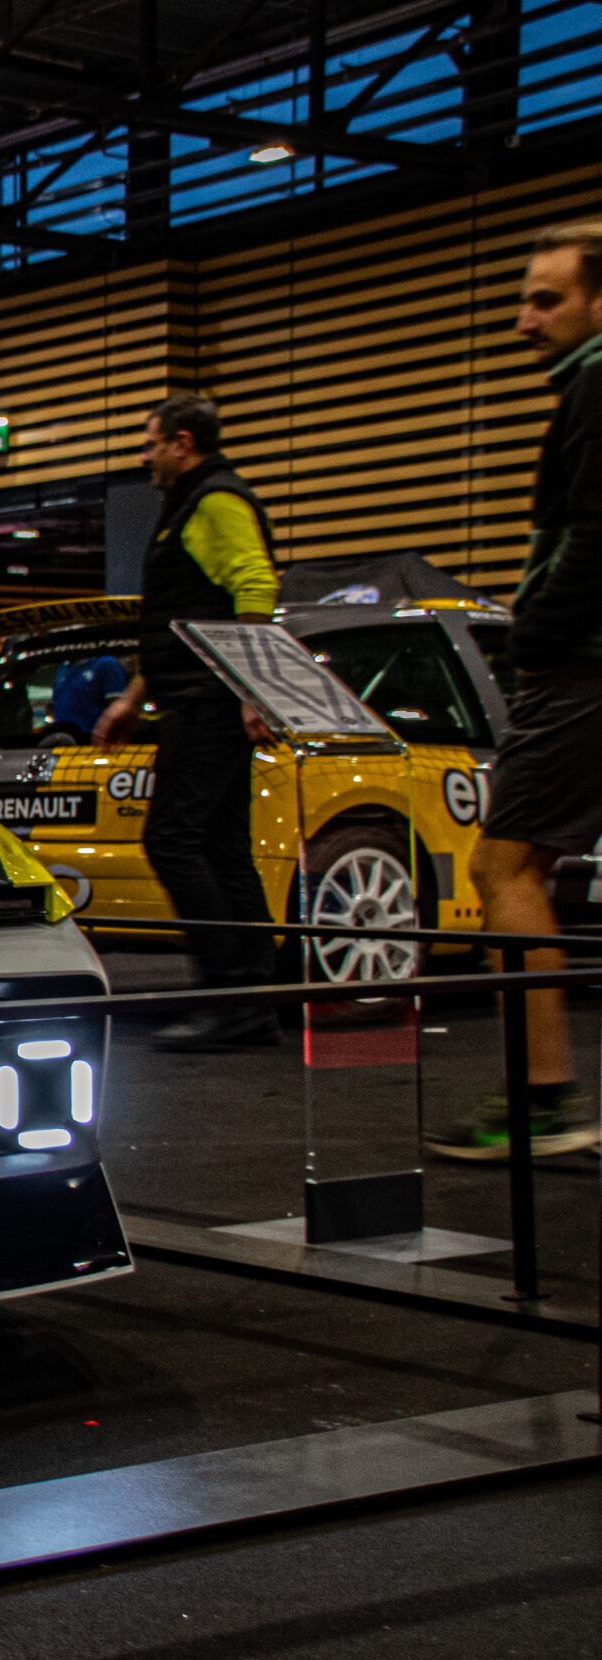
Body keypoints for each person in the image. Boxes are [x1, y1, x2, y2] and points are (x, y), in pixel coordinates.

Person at [435, 219, 602, 1159]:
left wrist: (533, 637)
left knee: (503, 867)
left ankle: (542, 1097)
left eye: (547, 299)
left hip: (582, 668)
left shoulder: (596, 388)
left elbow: (594, 538)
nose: (523, 320)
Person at [93, 395, 282, 1051]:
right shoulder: (189, 506)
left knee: (172, 839)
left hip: (210, 705)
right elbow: (182, 623)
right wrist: (133, 698)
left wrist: (252, 689)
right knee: (225, 849)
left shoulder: (215, 500)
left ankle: (228, 993)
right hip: (197, 697)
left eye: (151, 443)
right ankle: (253, 1001)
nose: (145, 456)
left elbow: (255, 585)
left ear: (182, 443)